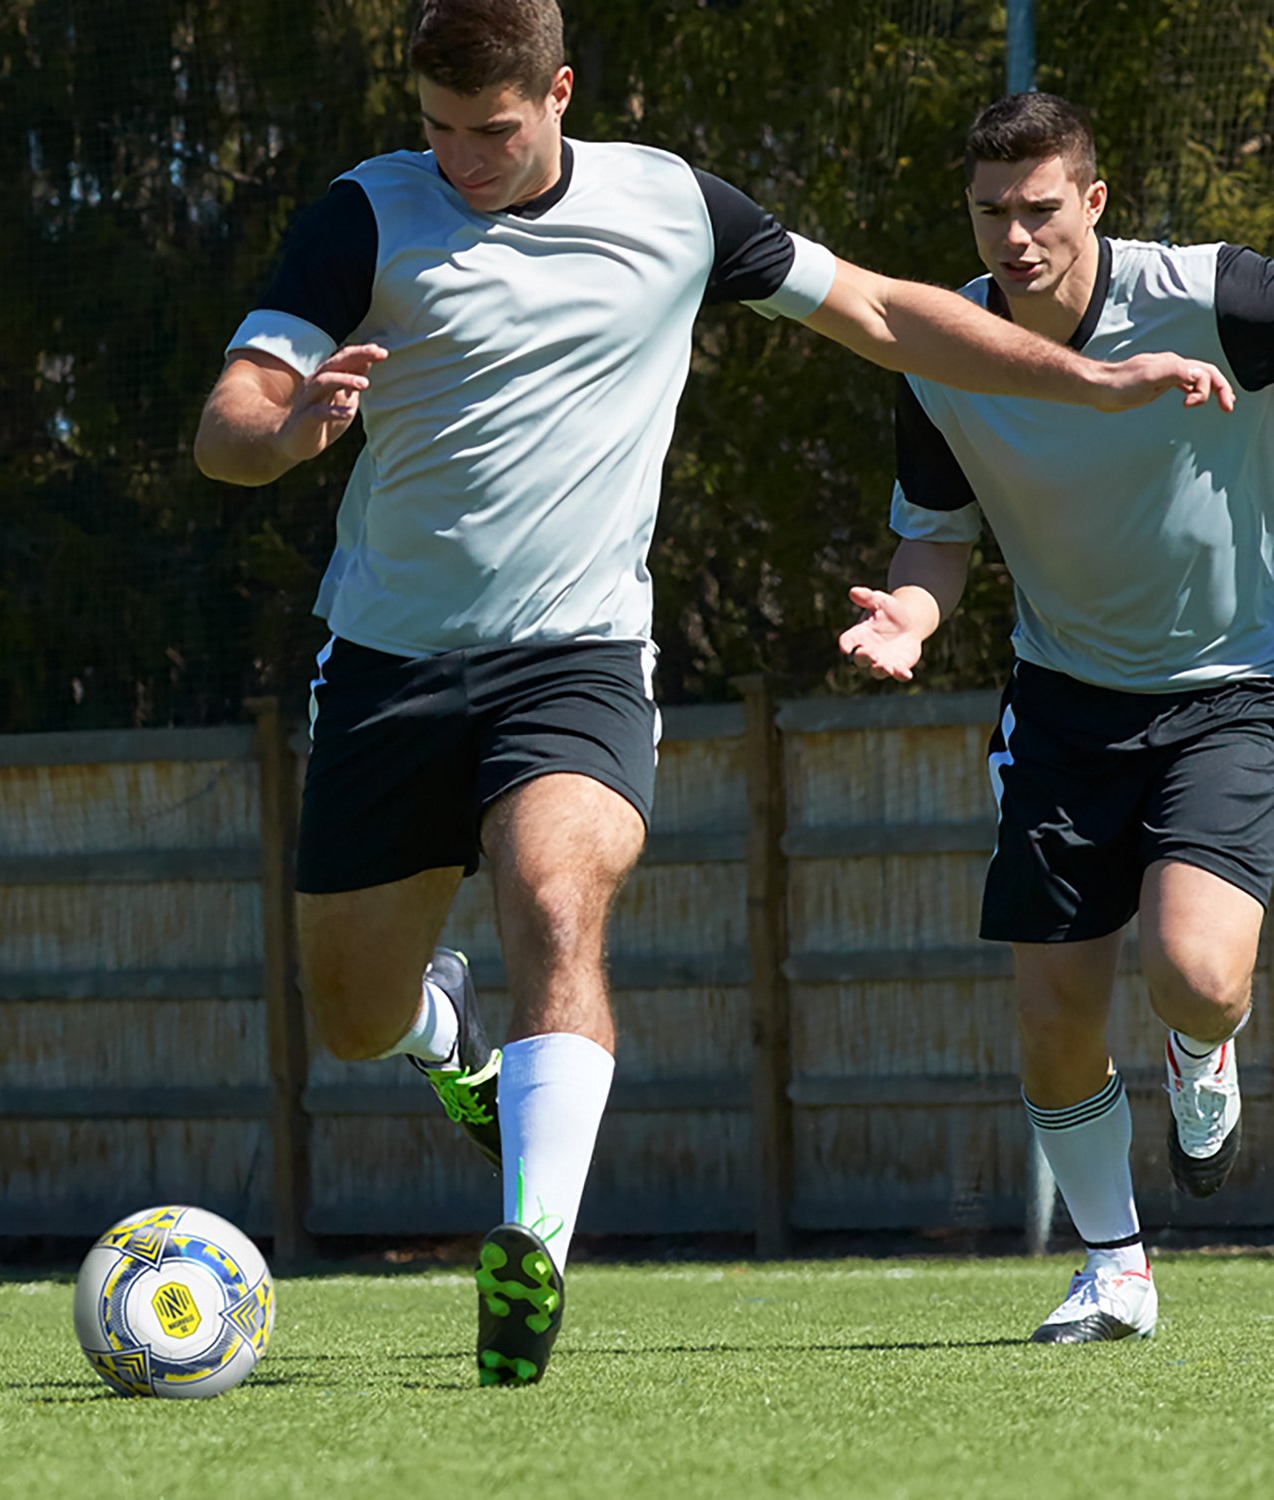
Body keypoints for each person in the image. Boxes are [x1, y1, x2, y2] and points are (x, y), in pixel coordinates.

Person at [196, 1, 1231, 1386]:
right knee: (357, 1015)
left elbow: (877, 309)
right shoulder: (364, 218)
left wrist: (1089, 383)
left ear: (560, 92)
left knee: (560, 901)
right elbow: (228, 427)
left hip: (576, 658)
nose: (460, 158)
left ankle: (534, 1252)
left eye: (491, 130)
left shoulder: (673, 205)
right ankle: (451, 1038)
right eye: (436, 130)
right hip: (388, 664)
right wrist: (290, 428)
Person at [839, 91, 1271, 1344]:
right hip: (1064, 702)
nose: (1015, 238)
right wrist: (910, 622)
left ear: (1093, 200)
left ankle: (1203, 1054)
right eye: (989, 213)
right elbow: (934, 538)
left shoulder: (1212, 295)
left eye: (1040, 210)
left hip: (1235, 688)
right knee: (1054, 1015)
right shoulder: (944, 350)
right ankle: (1115, 1270)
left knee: (1197, 975)